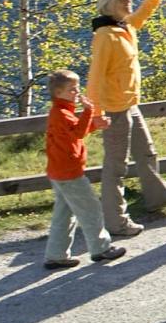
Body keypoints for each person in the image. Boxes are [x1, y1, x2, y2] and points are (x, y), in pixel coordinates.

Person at [89, 0, 166, 236]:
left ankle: (157, 197)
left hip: (129, 103)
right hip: (114, 108)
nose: (128, 2)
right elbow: (94, 77)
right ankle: (116, 221)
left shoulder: (125, 27)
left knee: (147, 152)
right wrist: (96, 113)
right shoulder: (105, 36)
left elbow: (143, 14)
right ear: (108, 4)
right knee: (116, 167)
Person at [43, 69, 125, 269]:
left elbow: (72, 132)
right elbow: (78, 132)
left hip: (58, 172)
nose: (76, 93)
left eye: (77, 88)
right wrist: (89, 111)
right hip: (70, 173)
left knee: (64, 213)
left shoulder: (59, 112)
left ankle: (56, 255)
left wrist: (95, 125)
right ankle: (101, 249)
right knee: (91, 210)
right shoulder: (62, 113)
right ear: (58, 93)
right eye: (72, 90)